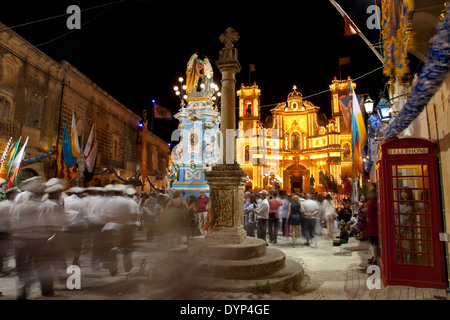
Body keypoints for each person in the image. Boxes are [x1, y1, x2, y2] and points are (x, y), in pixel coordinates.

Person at [10, 177, 46, 299]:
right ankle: (41, 286)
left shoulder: (20, 202)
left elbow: (13, 218)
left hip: (21, 237)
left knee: (22, 264)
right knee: (37, 263)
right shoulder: (41, 205)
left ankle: (24, 284)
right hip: (38, 238)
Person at [37, 183, 68, 296]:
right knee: (59, 260)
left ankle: (46, 289)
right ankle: (62, 281)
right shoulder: (56, 206)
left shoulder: (42, 205)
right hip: (55, 235)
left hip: (42, 237)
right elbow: (63, 221)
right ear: (56, 195)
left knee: (45, 264)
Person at [63, 187, 89, 267]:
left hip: (66, 226)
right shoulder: (81, 202)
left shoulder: (65, 200)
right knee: (78, 245)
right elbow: (85, 215)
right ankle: (75, 261)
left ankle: (63, 262)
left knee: (65, 245)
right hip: (78, 227)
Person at [0, 187, 18, 276]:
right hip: (4, 231)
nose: (16, 195)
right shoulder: (9, 205)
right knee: (3, 252)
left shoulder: (2, 204)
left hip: (2, 230)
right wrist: (11, 233)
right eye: (15, 194)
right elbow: (9, 221)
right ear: (11, 195)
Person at [363, 189, 378, 264]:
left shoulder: (371, 203)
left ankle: (375, 257)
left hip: (373, 225)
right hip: (373, 225)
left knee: (374, 243)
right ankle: (375, 257)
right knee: (374, 243)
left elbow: (366, 213)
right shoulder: (373, 203)